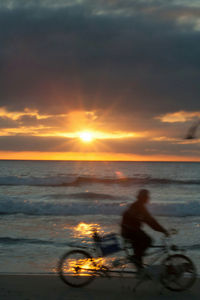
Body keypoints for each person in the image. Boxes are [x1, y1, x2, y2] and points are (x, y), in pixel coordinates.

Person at [121, 189, 169, 269]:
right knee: (147, 240)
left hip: (130, 230)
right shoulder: (138, 207)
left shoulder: (138, 205)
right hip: (129, 231)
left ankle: (138, 264)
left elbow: (150, 221)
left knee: (139, 246)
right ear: (143, 198)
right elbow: (150, 221)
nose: (148, 199)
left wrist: (162, 230)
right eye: (147, 197)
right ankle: (136, 259)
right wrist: (163, 231)